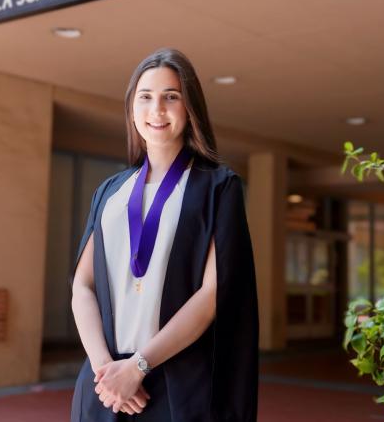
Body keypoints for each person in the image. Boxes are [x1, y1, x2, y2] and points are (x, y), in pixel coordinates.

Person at [70, 48, 259, 422]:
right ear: (131, 108)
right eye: (145, 97)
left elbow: (212, 295)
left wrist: (138, 367)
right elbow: (82, 286)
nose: (156, 110)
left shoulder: (218, 188)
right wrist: (106, 370)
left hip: (180, 389)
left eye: (171, 97)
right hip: (105, 387)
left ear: (190, 108)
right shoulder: (110, 191)